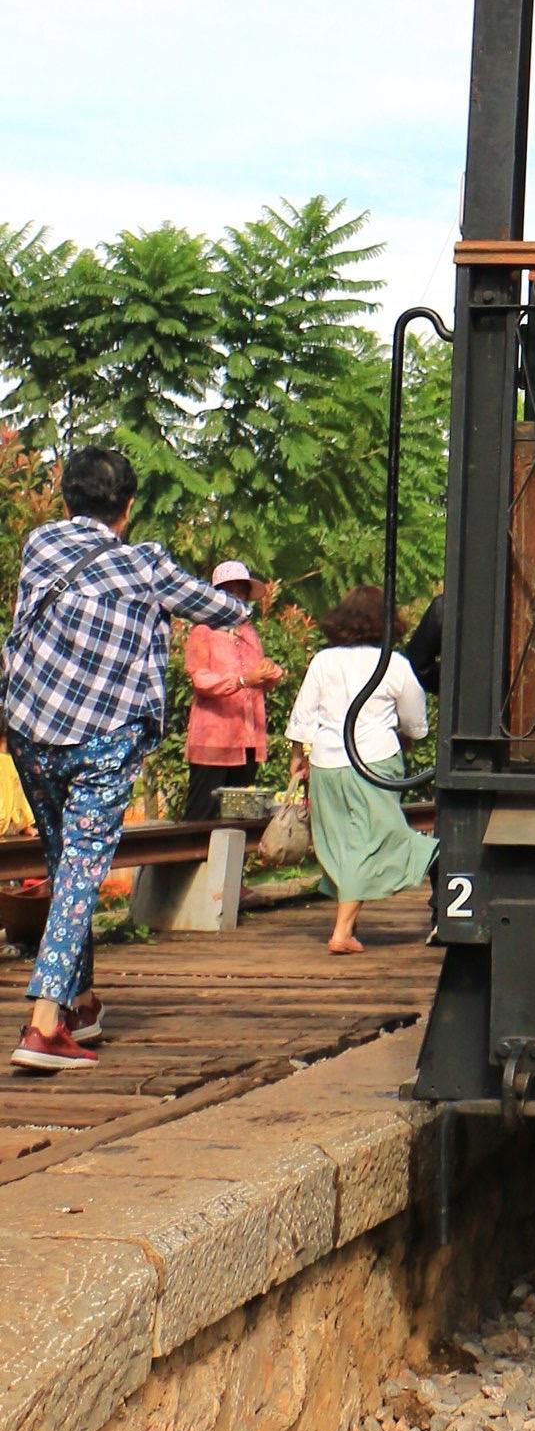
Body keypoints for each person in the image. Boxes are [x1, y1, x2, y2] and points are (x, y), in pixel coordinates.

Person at [1, 446, 250, 1070]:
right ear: (129, 507)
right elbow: (224, 609)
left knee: (67, 865)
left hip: (31, 732)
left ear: (66, 500)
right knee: (82, 870)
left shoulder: (40, 547)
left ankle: (81, 1004)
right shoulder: (144, 565)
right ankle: (43, 1024)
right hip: (104, 738)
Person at [285, 589, 435, 954]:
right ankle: (342, 931)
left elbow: (304, 714)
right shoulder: (394, 663)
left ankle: (349, 927)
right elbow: (415, 722)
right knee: (376, 839)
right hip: (375, 762)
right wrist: (408, 735)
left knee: (340, 841)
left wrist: (297, 755)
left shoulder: (323, 660)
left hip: (327, 762)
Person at [183, 562, 285, 820]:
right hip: (214, 741)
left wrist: (269, 673)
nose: (236, 598)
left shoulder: (249, 632)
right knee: (200, 815)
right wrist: (242, 680)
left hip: (248, 738)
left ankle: (230, 862)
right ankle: (186, 860)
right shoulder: (203, 631)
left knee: (240, 816)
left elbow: (259, 677)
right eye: (230, 592)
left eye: (240, 592)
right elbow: (201, 680)